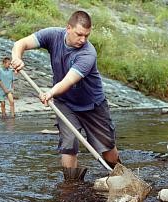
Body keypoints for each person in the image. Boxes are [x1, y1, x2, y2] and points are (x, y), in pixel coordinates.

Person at [11, 10, 120, 178]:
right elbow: (20, 44)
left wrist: (50, 93)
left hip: (92, 105)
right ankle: (71, 186)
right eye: (79, 34)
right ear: (68, 28)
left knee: (107, 147)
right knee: (68, 145)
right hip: (65, 103)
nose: (83, 40)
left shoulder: (88, 53)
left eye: (87, 35)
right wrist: (16, 57)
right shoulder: (52, 35)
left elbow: (68, 81)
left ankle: (120, 176)